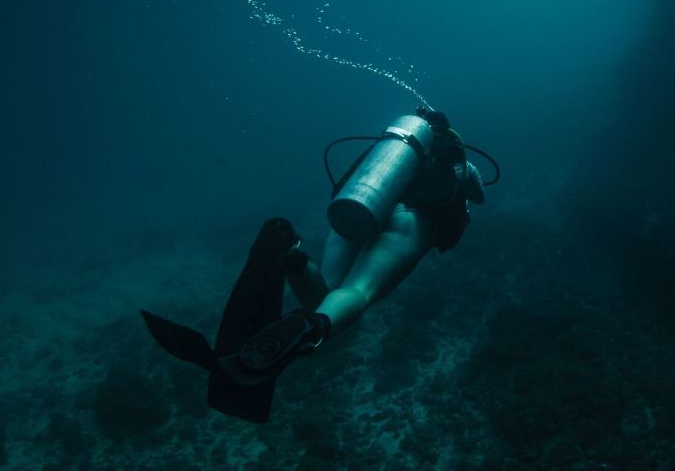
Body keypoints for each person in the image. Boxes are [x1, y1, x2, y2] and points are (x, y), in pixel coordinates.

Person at [141, 107, 489, 422]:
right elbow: (478, 196)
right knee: (358, 291)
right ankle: (310, 327)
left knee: (330, 293)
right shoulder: (460, 161)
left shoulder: (390, 148)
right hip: (409, 221)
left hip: (359, 207)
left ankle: (292, 259)